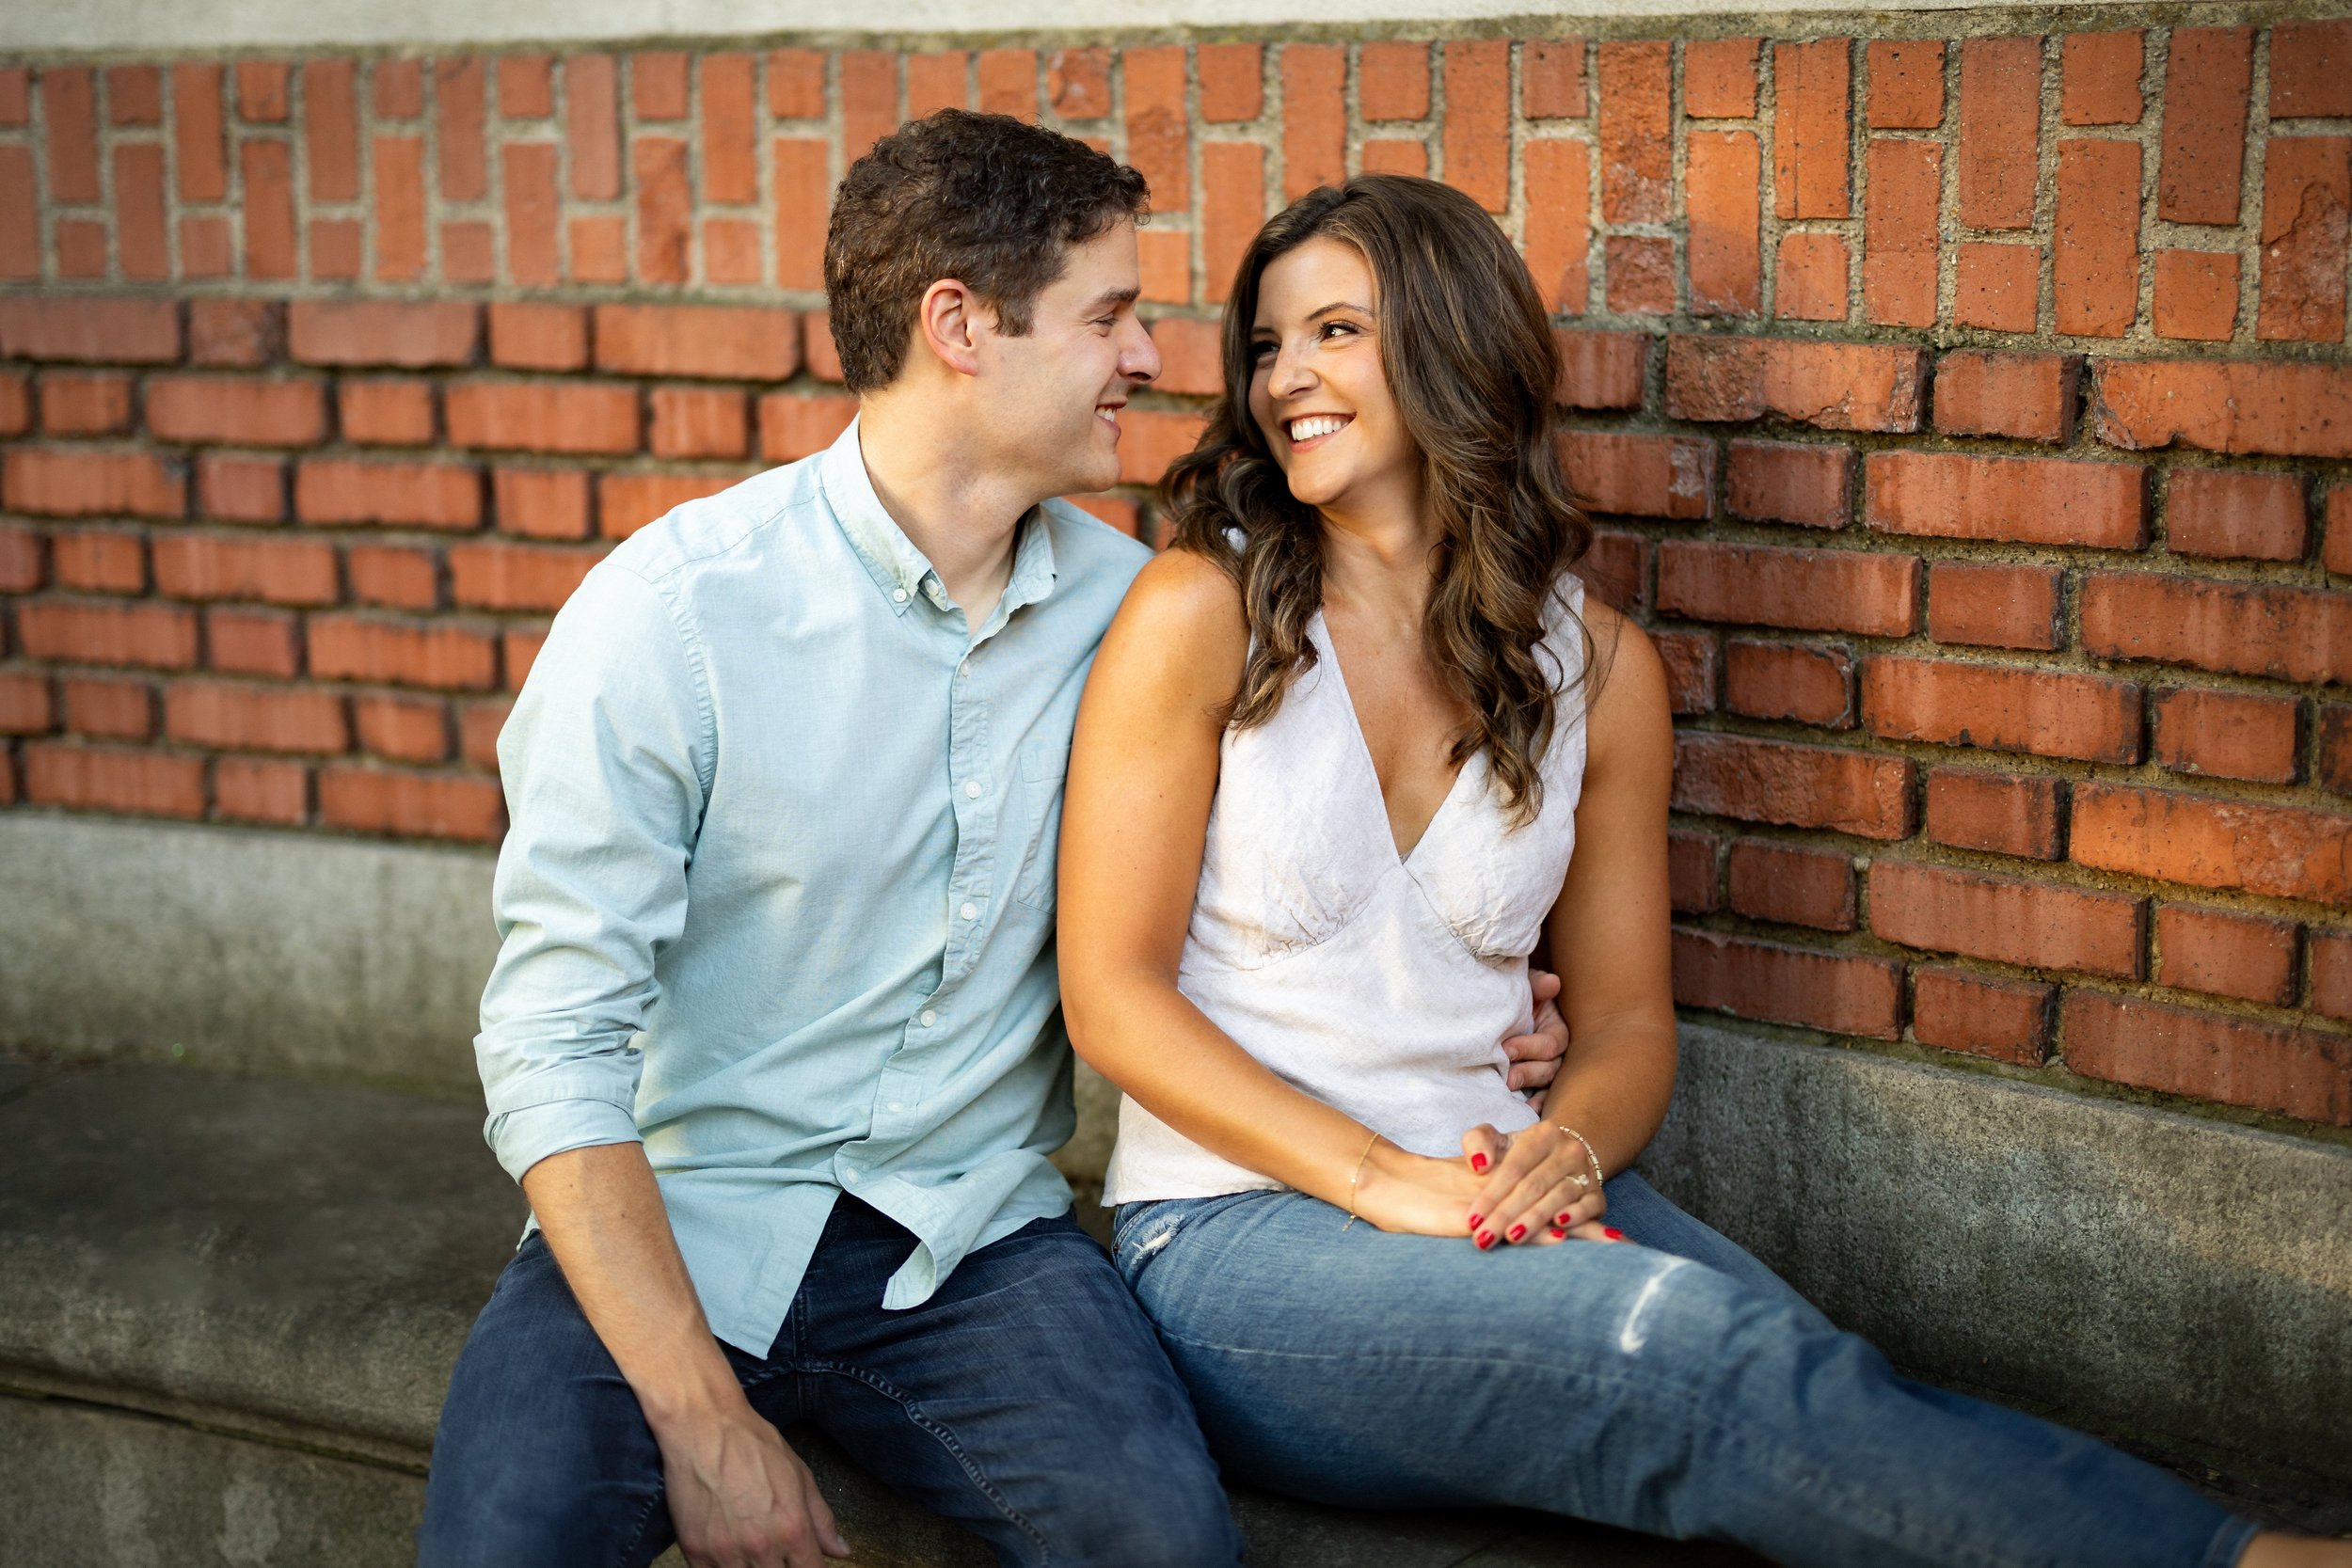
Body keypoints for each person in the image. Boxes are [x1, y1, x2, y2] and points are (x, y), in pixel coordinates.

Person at [1057, 173, 2345, 1568]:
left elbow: (1624, 1026)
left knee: (1812, 1380)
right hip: (1247, 1241)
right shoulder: (1202, 610)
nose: (1285, 378)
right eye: (1266, 344)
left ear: (1450, 344)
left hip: (1497, 1179)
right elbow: (1112, 997)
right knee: (1693, 1360)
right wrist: (1383, 1181)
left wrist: (1570, 1147)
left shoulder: (1598, 673)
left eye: (1335, 333)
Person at [416, 118, 1572, 1568]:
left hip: (971, 1250)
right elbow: (550, 1047)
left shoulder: (1137, 618)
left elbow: (1281, 878)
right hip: (681, 1223)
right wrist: (703, 1419)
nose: (1150, 358)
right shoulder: (671, 618)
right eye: (1110, 316)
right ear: (958, 327)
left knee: (1162, 1546)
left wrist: (1484, 995)